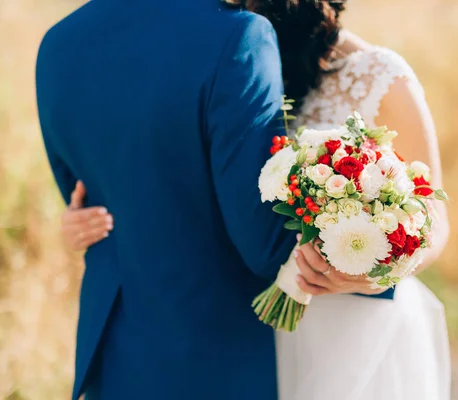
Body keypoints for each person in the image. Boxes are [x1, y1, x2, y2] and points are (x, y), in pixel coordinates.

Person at [36, 0, 380, 399]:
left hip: (114, 349)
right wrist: (374, 239)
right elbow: (265, 245)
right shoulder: (237, 36)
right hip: (212, 354)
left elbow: (81, 196)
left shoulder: (58, 42)